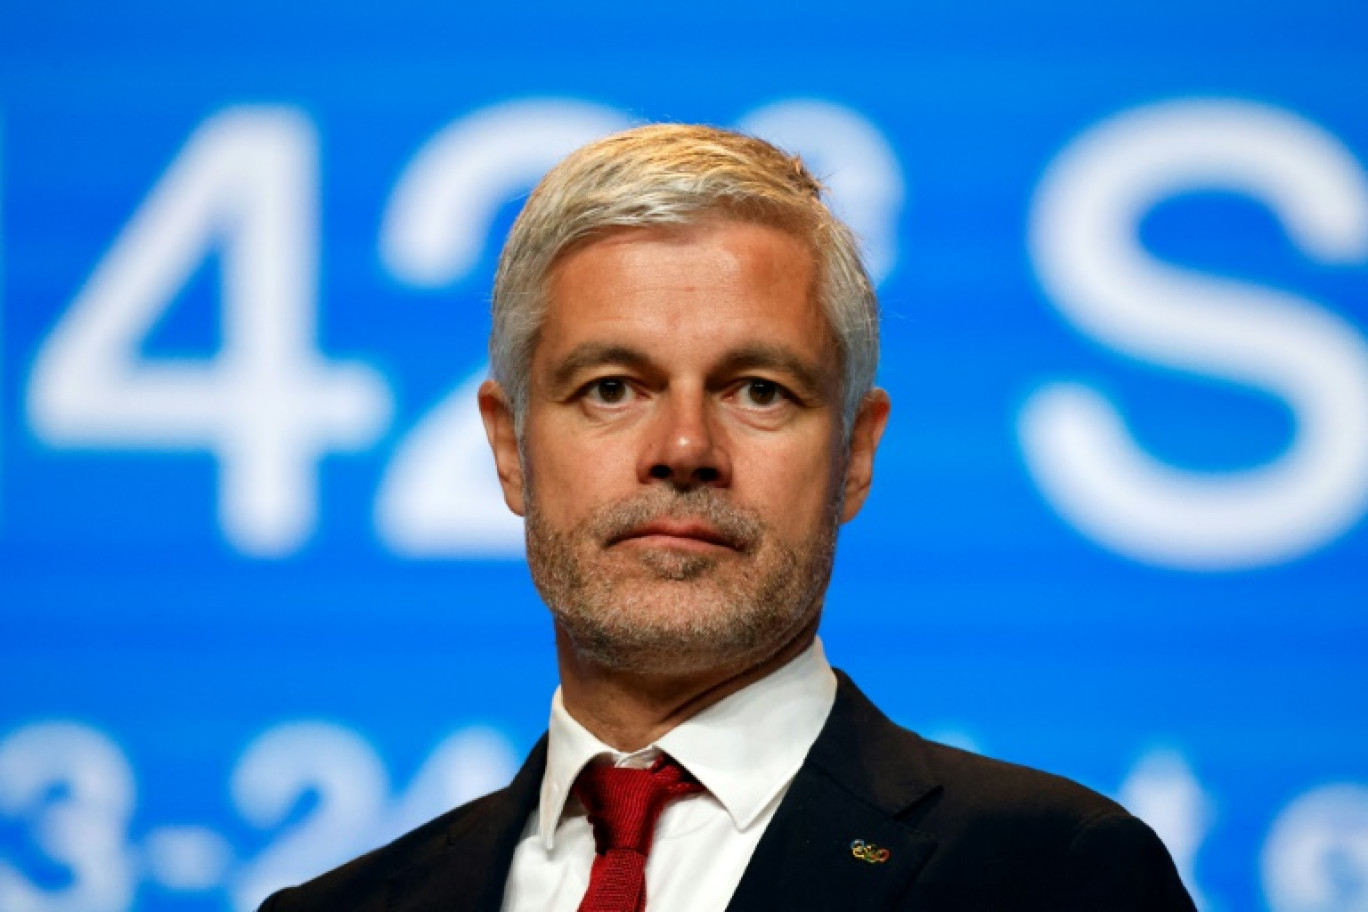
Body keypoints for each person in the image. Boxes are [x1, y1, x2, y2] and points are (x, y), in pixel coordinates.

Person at [260, 124, 1195, 911]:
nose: (683, 447)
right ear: (509, 450)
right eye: (611, 387)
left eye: (758, 390)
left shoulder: (1052, 878)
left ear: (855, 457)